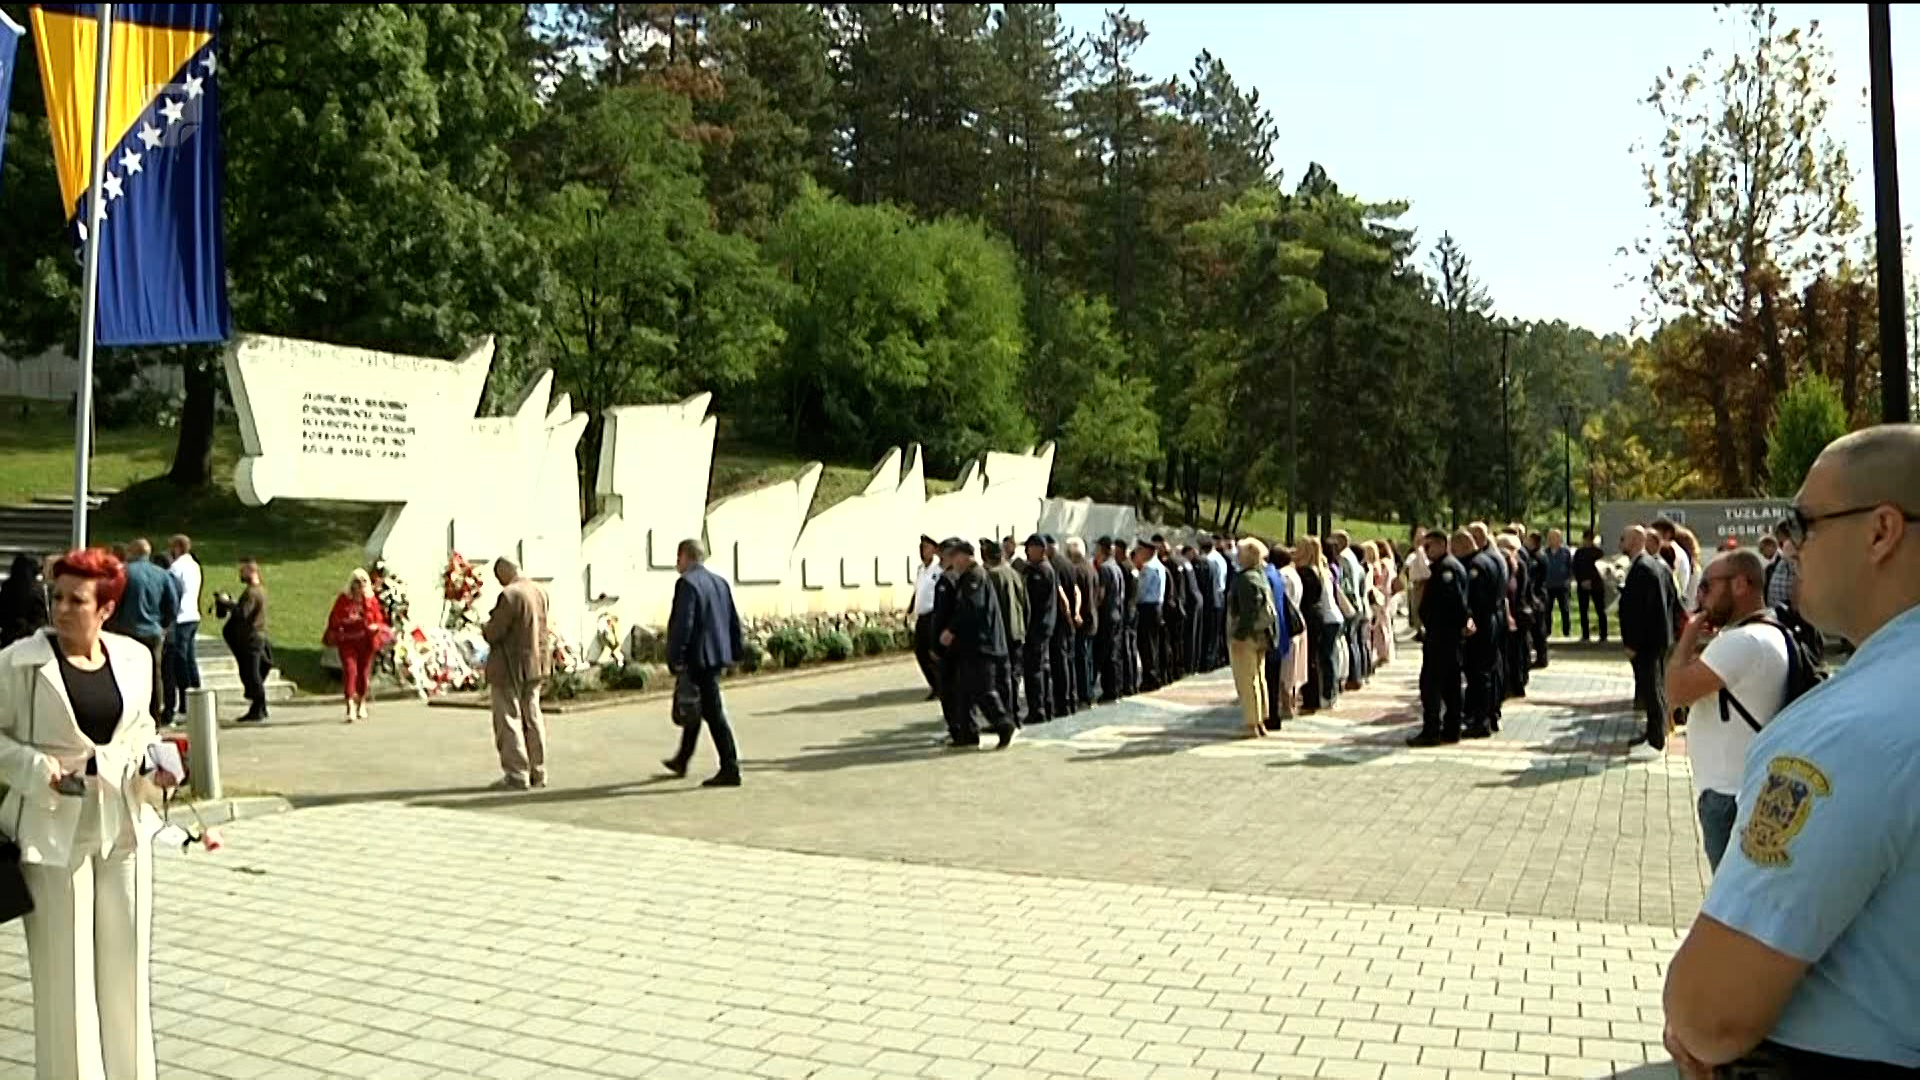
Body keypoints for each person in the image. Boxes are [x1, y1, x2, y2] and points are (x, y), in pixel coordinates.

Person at [1663, 425, 1920, 1077]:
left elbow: (1709, 1012)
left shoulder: (1847, 728)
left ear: (1882, 531)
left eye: (1803, 522)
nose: (1789, 545)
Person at [1, 547, 179, 1080]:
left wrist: (159, 763)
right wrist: (35, 766)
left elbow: (142, 727)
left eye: (76, 599)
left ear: (105, 607)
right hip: (53, 830)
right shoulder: (18, 663)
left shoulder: (134, 658)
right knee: (66, 976)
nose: (60, 608)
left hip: (123, 823)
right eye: (56, 596)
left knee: (127, 967)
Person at [1660, 549, 1789, 872]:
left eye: (1708, 586)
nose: (1701, 596)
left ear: (1741, 585)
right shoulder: (1769, 632)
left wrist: (1689, 635)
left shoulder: (1742, 642)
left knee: (1730, 904)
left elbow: (1674, 691)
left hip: (1728, 795)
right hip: (1745, 787)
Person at [661, 539, 745, 787]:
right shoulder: (719, 582)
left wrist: (675, 657)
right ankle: (682, 758)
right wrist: (736, 652)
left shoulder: (687, 584)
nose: (677, 564)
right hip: (716, 655)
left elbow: (683, 624)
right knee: (695, 705)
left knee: (713, 712)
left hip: (698, 658)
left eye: (678, 558)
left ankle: (730, 767)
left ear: (685, 557)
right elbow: (732, 620)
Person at [937, 541, 1018, 751]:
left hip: (982, 645)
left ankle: (1004, 724)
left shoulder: (975, 577)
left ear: (964, 557)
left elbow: (972, 607)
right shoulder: (969, 577)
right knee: (964, 691)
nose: (952, 563)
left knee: (984, 689)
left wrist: (951, 630)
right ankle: (967, 733)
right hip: (970, 646)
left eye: (954, 558)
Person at [482, 557, 551, 790]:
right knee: (533, 717)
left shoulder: (510, 595)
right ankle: (538, 771)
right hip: (536, 664)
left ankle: (516, 773)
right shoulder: (539, 591)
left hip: (510, 666)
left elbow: (494, 632)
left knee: (508, 718)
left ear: (503, 573)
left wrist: (484, 626)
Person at [1619, 526, 1677, 754]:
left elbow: (1641, 612)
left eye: (1624, 538)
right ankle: (1654, 732)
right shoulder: (1652, 565)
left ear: (1635, 540)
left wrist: (1633, 644)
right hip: (1657, 638)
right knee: (1653, 687)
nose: (1620, 542)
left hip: (1647, 642)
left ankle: (1655, 741)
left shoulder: (1644, 568)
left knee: (1652, 689)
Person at [105, 540, 176, 728]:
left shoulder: (124, 573)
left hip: (125, 631)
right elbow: (172, 603)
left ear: (133, 552)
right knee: (154, 675)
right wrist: (164, 625)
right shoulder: (162, 575)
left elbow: (114, 601)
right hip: (152, 632)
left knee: (123, 675)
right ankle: (154, 717)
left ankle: (126, 717)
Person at [1410, 530, 1471, 747]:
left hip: (1443, 635)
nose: (1426, 552)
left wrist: (1463, 622)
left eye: (1429, 547)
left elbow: (1454, 602)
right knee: (1450, 684)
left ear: (1442, 545)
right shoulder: (1447, 566)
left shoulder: (1447, 569)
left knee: (1432, 684)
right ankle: (1451, 728)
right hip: (1445, 635)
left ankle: (1433, 730)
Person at [1224, 537, 1276, 739]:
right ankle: (1261, 718)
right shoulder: (1260, 576)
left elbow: (1247, 612)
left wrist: (1238, 636)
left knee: (1247, 681)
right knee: (1259, 678)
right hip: (1261, 635)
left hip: (1247, 637)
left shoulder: (1244, 579)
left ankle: (1251, 723)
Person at [323, 568, 389, 724]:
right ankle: (350, 705)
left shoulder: (371, 601)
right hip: (347, 642)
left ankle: (361, 702)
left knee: (364, 674)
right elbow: (334, 619)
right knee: (350, 671)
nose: (360, 586)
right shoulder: (343, 600)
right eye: (357, 583)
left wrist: (374, 626)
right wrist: (344, 623)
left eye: (363, 582)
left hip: (366, 641)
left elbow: (378, 619)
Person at [1461, 525, 1504, 738]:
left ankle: (1481, 720)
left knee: (1479, 674)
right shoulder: (1491, 559)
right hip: (1492, 620)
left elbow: (1476, 600)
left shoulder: (1476, 565)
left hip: (1481, 623)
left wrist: (1469, 620)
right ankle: (1491, 714)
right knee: (1489, 670)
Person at [217, 559, 271, 723]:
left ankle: (259, 706)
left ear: (251, 572)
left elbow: (242, 614)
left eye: (243, 572)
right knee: (252, 672)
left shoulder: (252, 593)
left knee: (251, 673)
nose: (240, 575)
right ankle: (259, 707)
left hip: (250, 638)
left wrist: (227, 604)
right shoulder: (259, 590)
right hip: (256, 636)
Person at [982, 540, 1027, 721]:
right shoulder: (1014, 573)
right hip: (1017, 631)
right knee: (1013, 676)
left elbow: (991, 608)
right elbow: (1025, 603)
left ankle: (1006, 716)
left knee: (1002, 678)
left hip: (1002, 633)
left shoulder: (992, 576)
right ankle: (1014, 713)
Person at [1298, 537, 1343, 712]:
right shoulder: (1324, 570)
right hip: (1331, 616)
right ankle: (1330, 693)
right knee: (1326, 658)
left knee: (1323, 658)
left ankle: (1326, 694)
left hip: (1327, 618)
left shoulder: (1309, 572)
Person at [162, 535, 201, 728]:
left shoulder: (177, 567)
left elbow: (172, 590)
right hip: (193, 615)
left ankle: (185, 703)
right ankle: (197, 698)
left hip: (181, 617)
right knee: (190, 659)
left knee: (180, 662)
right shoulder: (194, 565)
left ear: (178, 547)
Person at [1020, 535, 1059, 724]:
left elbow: (1032, 602)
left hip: (1037, 626)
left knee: (1034, 669)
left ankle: (1038, 709)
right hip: (1043, 626)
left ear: (1039, 549)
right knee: (1042, 667)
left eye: (1029, 548)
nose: (1027, 552)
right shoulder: (1043, 568)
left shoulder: (1040, 571)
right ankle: (1046, 705)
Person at [1045, 536, 1079, 716]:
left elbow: (1062, 597)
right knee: (1069, 661)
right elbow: (1076, 590)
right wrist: (1076, 613)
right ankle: (1071, 700)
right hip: (1069, 621)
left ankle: (1062, 703)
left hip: (1060, 621)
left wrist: (1067, 615)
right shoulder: (1068, 564)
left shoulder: (1053, 566)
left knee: (1060, 664)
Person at [1260, 543, 1293, 728]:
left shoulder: (1268, 576)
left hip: (1272, 634)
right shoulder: (1276, 576)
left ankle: (1271, 715)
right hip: (1280, 633)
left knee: (1270, 678)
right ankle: (1274, 714)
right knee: (1274, 677)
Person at [1273, 545, 1308, 719]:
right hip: (1298, 620)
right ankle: (1291, 701)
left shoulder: (1283, 576)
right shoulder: (1294, 573)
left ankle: (1287, 705)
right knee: (1294, 666)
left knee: (1286, 668)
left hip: (1288, 624)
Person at [1067, 538, 1100, 706]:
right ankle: (1089, 691)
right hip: (1093, 617)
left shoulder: (1076, 570)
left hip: (1083, 619)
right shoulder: (1091, 569)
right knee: (1089, 658)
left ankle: (1084, 694)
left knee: (1081, 659)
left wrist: (1075, 613)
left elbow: (1076, 593)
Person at [910, 536, 942, 702]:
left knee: (932, 652)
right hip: (921, 616)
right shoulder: (920, 569)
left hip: (933, 615)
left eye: (926, 548)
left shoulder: (938, 570)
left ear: (934, 550)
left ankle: (940, 686)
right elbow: (918, 591)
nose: (923, 551)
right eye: (921, 548)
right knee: (920, 652)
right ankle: (934, 684)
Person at [1132, 541, 1166, 692]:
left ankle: (1150, 678)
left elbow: (1141, 590)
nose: (1138, 552)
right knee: (1153, 644)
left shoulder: (1149, 567)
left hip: (1147, 607)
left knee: (1146, 645)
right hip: (1157, 606)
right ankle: (1155, 675)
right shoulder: (1159, 566)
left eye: (1140, 550)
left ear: (1147, 551)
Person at [1094, 538, 1126, 702]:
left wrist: (1095, 608)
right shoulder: (1117, 567)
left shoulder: (1105, 568)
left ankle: (1109, 690)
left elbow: (1101, 593)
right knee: (1114, 652)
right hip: (1117, 612)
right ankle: (1116, 688)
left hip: (1107, 614)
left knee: (1106, 654)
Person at [2, 553, 51, 649]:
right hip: (31, 638)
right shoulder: (38, 589)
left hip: (9, 637)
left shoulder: (7, 587)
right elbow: (42, 617)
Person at [1573, 530, 1608, 642]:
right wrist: (1581, 580)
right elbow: (1575, 568)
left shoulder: (1598, 553)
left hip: (1596, 585)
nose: (1587, 541)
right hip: (1582, 585)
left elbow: (1601, 569)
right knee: (1583, 610)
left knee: (1600, 610)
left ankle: (1603, 634)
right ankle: (1585, 634)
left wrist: (1590, 581)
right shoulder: (1579, 552)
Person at [1204, 535, 1231, 671]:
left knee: (1211, 630)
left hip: (1214, 596)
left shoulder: (1210, 560)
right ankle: (1216, 658)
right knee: (1217, 631)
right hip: (1221, 595)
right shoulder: (1220, 559)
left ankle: (1210, 660)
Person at [1405, 527, 1431, 644]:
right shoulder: (1412, 555)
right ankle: (1419, 631)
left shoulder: (1423, 554)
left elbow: (1426, 571)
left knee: (1420, 613)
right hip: (1414, 585)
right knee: (1415, 613)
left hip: (1423, 585)